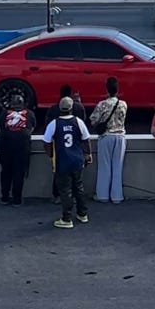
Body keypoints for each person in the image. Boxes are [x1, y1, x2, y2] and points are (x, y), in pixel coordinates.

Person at [43, 96, 92, 229]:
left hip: (62, 161)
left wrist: (51, 154)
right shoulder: (79, 122)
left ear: (60, 108)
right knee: (79, 187)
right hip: (77, 160)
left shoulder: (54, 123)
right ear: (72, 108)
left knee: (65, 190)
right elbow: (86, 140)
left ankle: (67, 218)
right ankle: (83, 214)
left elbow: (46, 141)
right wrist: (88, 155)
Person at [46, 84, 86, 204]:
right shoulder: (78, 108)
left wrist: (50, 153)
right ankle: (74, 199)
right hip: (76, 148)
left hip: (58, 148)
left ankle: (57, 196)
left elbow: (47, 130)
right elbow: (84, 128)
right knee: (76, 177)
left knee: (59, 175)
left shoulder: (53, 109)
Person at [90, 77, 127, 203]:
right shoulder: (123, 104)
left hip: (106, 136)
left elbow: (93, 120)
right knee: (118, 166)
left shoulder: (102, 104)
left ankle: (102, 195)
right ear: (117, 90)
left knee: (104, 167)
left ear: (106, 89)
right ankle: (117, 196)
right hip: (120, 137)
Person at [0, 94, 36, 206]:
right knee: (19, 173)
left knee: (5, 172)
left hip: (5, 145)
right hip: (22, 145)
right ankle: (17, 199)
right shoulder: (30, 114)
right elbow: (32, 127)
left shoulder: (5, 113)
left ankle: (4, 197)